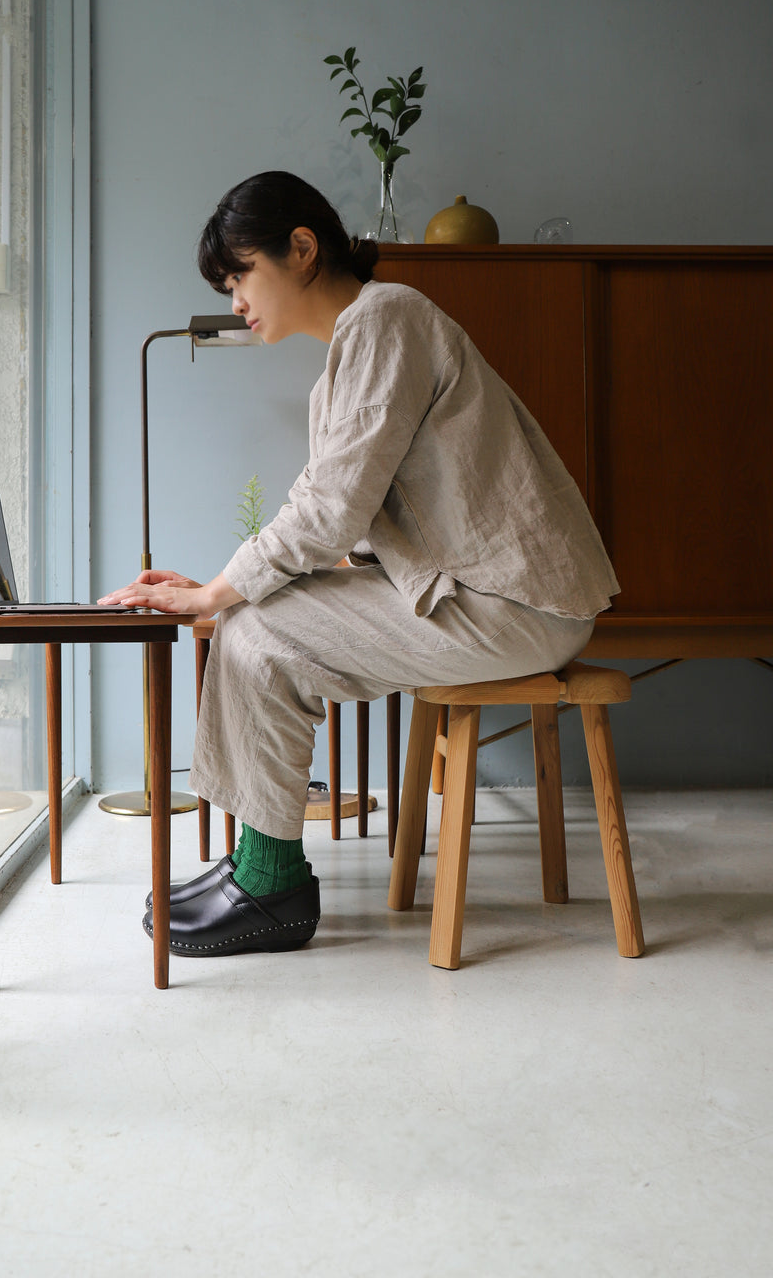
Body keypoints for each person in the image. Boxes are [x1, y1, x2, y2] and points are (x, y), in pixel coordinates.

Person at [99, 170, 618, 958]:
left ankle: (271, 886)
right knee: (248, 620)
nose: (236, 299)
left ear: (301, 249)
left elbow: (330, 509)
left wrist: (216, 593)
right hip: (485, 595)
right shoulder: (358, 347)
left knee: (254, 637)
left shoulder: (388, 319)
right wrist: (221, 586)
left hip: (515, 603)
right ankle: (256, 864)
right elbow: (340, 516)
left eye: (241, 274)